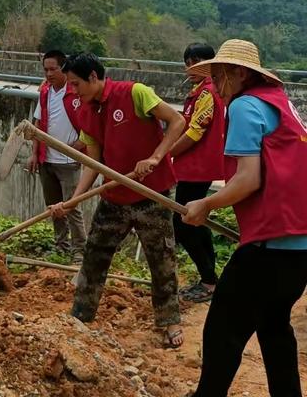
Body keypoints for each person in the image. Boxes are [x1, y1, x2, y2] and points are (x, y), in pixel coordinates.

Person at [183, 39, 307, 397]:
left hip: (272, 245)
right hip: (299, 246)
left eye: (220, 76)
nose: (217, 87)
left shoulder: (245, 106)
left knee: (223, 329)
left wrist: (205, 205)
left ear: (240, 74)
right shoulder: (280, 104)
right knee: (273, 325)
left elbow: (248, 179)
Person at [52, 53, 186, 348]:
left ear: (93, 77)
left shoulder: (135, 93)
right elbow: (94, 161)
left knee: (161, 260)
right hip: (114, 197)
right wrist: (74, 200)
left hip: (152, 194)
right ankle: (80, 316)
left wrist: (155, 157)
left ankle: (169, 321)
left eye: (76, 84)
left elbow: (177, 121)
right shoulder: (86, 111)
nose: (73, 91)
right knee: (94, 257)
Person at [170, 43, 225, 303]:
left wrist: (167, 153)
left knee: (184, 225)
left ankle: (209, 281)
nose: (189, 68)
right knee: (195, 222)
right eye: (188, 62)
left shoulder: (207, 93)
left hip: (197, 168)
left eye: (195, 62)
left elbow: (195, 132)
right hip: (195, 167)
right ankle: (209, 278)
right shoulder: (199, 92)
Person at [28, 50, 87, 264]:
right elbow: (37, 124)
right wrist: (34, 153)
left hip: (68, 162)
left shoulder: (75, 93)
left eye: (53, 69)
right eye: (46, 69)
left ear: (63, 69)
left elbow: (89, 124)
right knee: (54, 207)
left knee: (72, 208)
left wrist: (80, 144)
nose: (49, 74)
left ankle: (80, 249)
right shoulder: (45, 93)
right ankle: (61, 245)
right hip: (47, 159)